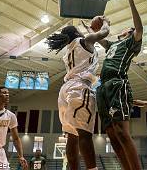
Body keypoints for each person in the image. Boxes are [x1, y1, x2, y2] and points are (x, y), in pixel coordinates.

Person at [84, 0, 143, 170]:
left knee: (122, 132)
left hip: (118, 83)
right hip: (102, 87)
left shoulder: (131, 42)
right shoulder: (112, 45)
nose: (125, 30)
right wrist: (90, 28)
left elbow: (139, 27)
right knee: (111, 134)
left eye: (128, 29)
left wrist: (131, 1)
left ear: (130, 33)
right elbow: (96, 37)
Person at [46, 17, 110, 170]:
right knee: (85, 134)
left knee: (71, 137)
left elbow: (88, 39)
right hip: (80, 88)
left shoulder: (68, 50)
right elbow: (105, 32)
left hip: (66, 89)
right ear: (76, 32)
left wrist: (88, 29)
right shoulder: (85, 40)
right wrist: (106, 22)